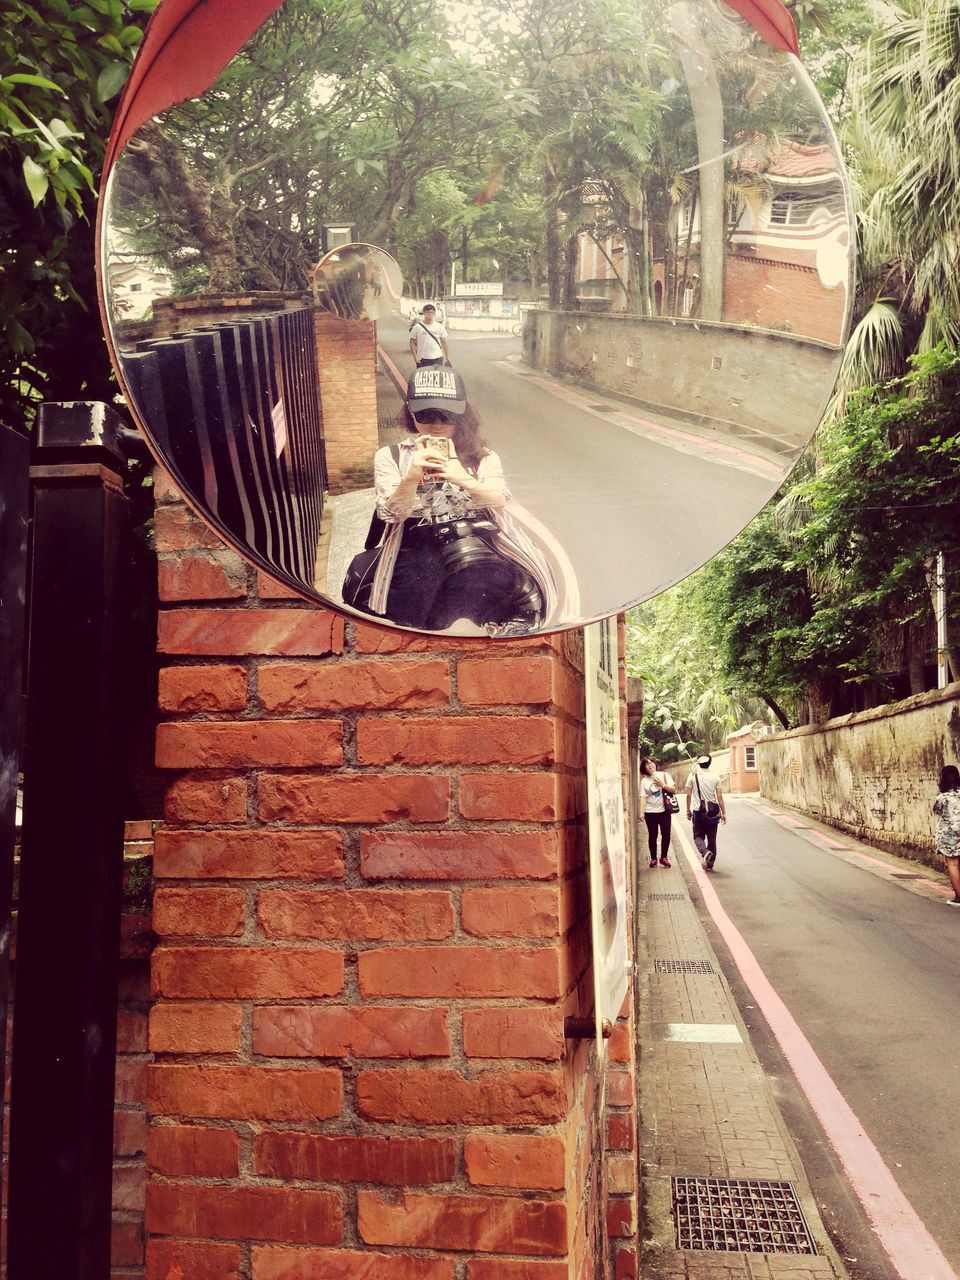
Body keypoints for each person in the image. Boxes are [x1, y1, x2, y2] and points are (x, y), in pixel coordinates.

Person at [365, 365, 549, 632]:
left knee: (526, 588)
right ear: (410, 411)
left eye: (447, 415)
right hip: (417, 549)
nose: (437, 424)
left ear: (461, 415)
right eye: (426, 414)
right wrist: (411, 476)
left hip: (477, 545)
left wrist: (460, 476)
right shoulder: (391, 456)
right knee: (412, 611)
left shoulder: (482, 457)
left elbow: (497, 500)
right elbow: (391, 514)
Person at [686, 753, 726, 870]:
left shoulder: (693, 776)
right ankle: (709, 864)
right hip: (713, 811)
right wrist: (724, 813)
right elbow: (719, 797)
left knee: (698, 836)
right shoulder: (716, 777)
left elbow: (688, 795)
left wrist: (688, 810)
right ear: (710, 762)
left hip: (698, 811)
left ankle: (705, 852)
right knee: (712, 839)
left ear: (698, 762)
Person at [638, 756, 676, 868]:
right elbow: (642, 797)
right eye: (647, 764)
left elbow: (673, 790)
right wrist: (641, 812)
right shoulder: (644, 781)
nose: (650, 765)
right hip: (650, 812)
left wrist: (662, 785)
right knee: (652, 835)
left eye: (651, 763)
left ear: (655, 764)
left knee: (666, 834)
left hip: (664, 811)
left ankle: (664, 857)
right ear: (644, 768)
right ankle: (653, 858)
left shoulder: (664, 775)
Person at [933, 764, 960, 905]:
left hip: (950, 834)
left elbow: (937, 811)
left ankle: (959, 897)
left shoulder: (942, 798)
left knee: (953, 863)